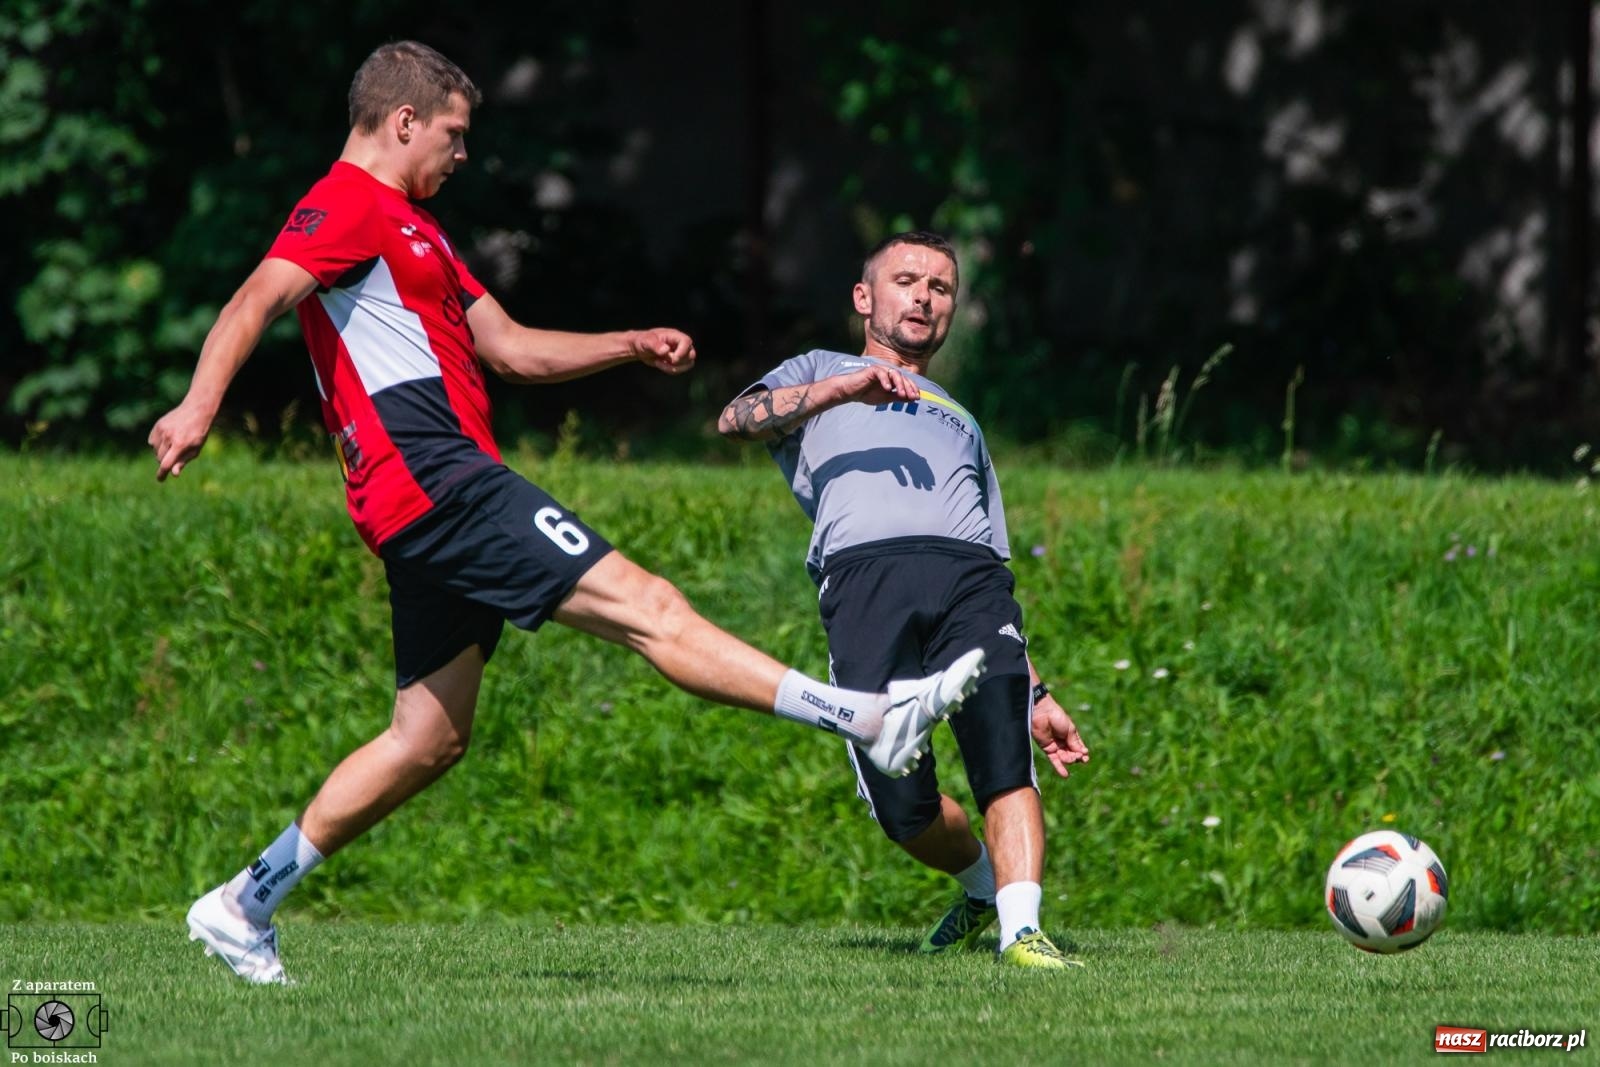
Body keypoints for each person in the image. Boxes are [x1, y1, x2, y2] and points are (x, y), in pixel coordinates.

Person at [148, 43, 987, 986]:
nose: (463, 155)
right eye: (455, 135)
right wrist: (198, 405)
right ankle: (865, 718)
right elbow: (259, 293)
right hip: (438, 480)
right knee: (651, 608)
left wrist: (626, 343)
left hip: (420, 500)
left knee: (426, 739)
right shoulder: (347, 202)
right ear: (404, 122)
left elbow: (506, 346)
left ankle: (240, 904)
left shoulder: (416, 228)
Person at [717, 231, 1091, 969]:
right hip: (864, 582)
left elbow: (996, 556)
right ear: (865, 298)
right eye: (906, 279)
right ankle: (982, 886)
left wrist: (1037, 688)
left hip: (971, 581)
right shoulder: (819, 372)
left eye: (941, 287)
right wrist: (841, 388)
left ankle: (1022, 931)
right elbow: (735, 420)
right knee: (903, 806)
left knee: (1003, 756)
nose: (924, 295)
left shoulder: (964, 419)